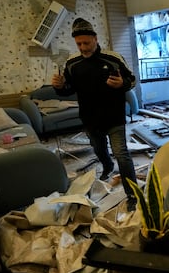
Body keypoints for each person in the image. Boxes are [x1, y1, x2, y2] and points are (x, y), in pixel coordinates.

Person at [52, 17, 138, 210]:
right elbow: (68, 89)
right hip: (90, 118)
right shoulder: (72, 63)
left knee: (122, 155)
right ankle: (107, 166)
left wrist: (122, 84)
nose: (83, 47)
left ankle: (133, 194)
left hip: (114, 116)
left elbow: (132, 80)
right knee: (99, 150)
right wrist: (59, 87)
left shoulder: (113, 58)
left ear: (95, 39)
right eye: (79, 43)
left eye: (86, 43)